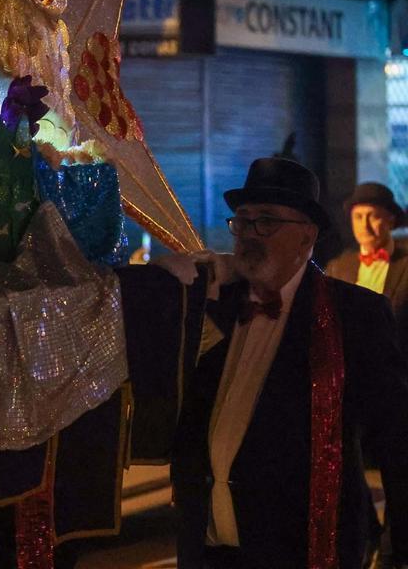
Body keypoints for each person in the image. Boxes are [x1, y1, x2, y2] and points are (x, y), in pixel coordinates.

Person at [156, 158, 408, 569]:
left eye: (267, 221)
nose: (250, 234)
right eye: (243, 221)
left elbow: (397, 441)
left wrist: (400, 549)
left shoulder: (353, 315)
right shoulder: (211, 305)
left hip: (299, 550)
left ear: (306, 236)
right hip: (207, 549)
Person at [326, 182, 408, 341]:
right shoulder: (337, 268)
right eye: (358, 217)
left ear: (390, 221)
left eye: (373, 216)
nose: (365, 225)